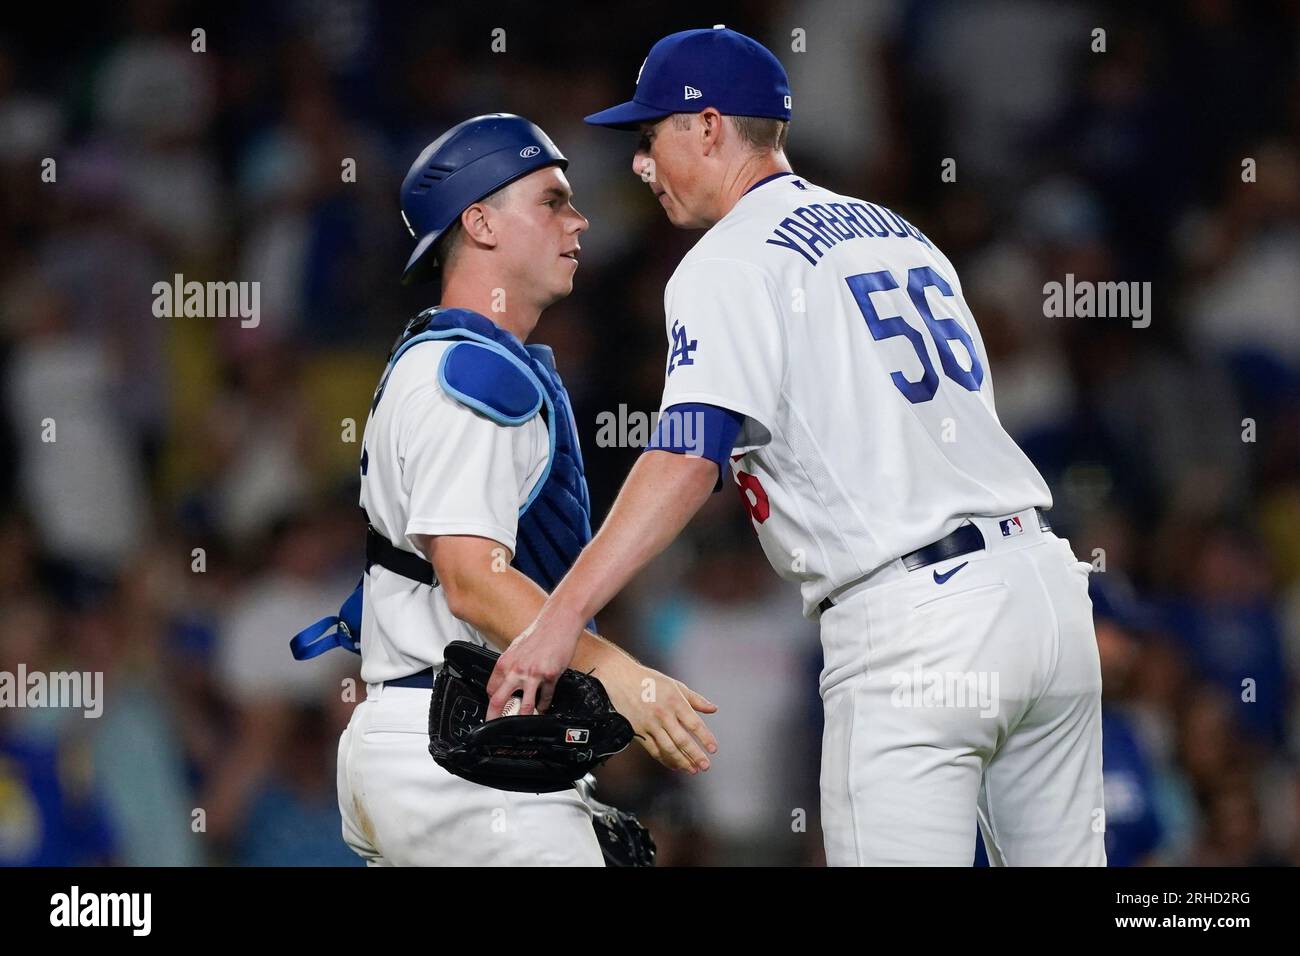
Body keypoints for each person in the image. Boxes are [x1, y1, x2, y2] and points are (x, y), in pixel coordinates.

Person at [488, 28, 1106, 866]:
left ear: (706, 127)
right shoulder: (899, 232)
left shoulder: (725, 260)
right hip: (1044, 594)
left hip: (913, 621)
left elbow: (684, 456)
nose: (640, 165)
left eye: (650, 135)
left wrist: (557, 618)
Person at [321, 113, 717, 866]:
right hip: (458, 752)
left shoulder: (449, 357)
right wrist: (617, 673)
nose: (579, 220)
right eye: (552, 200)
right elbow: (473, 581)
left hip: (429, 738)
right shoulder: (474, 375)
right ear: (480, 222)